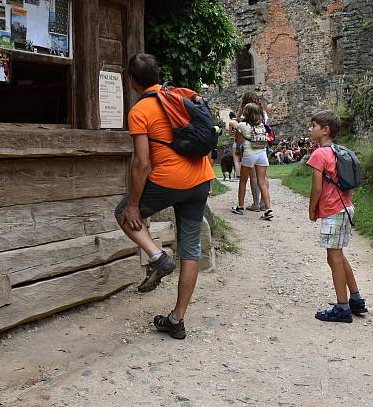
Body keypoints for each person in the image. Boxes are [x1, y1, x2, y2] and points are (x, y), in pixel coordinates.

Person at [114, 53, 214, 340]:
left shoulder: (140, 111)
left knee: (123, 214)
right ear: (157, 76)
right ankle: (176, 319)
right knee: (190, 250)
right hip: (201, 178)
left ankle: (158, 258)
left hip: (168, 180)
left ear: (132, 81)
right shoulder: (181, 96)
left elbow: (142, 163)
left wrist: (134, 204)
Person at [307, 111, 367, 323]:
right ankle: (356, 299)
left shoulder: (319, 154)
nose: (310, 129)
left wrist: (312, 209)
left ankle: (342, 307)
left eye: (313, 125)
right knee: (339, 255)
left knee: (333, 257)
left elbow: (316, 187)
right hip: (345, 207)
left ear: (325, 130)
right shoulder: (340, 151)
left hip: (332, 211)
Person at [231, 103, 273, 220]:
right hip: (262, 154)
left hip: (249, 154)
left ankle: (240, 206)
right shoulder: (262, 125)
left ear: (247, 113)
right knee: (262, 182)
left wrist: (238, 150)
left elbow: (238, 141)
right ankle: (268, 209)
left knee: (243, 180)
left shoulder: (242, 125)